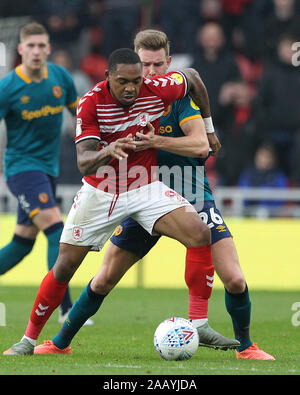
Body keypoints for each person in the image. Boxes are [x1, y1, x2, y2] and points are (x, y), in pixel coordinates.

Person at [33, 30, 274, 360]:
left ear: (168, 63)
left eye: (158, 65)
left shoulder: (176, 99)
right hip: (141, 196)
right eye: (144, 65)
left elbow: (200, 144)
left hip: (190, 193)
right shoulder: (122, 97)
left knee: (233, 278)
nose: (150, 73)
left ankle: (245, 347)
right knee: (103, 279)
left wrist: (165, 139)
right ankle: (60, 342)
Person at [3, 47, 216, 356]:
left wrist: (208, 128)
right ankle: (28, 340)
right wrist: (108, 150)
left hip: (145, 187)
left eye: (136, 80)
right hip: (100, 191)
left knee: (199, 233)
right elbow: (84, 161)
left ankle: (198, 322)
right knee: (65, 267)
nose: (131, 88)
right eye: (123, 82)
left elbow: (193, 78)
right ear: (107, 78)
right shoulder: (90, 103)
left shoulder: (156, 88)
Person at [0, 22, 90, 325]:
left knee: (22, 244)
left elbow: (79, 114)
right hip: (22, 169)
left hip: (48, 169)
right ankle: (64, 309)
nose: (37, 51)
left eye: (42, 46)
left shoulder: (60, 77)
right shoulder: (8, 87)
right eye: (31, 46)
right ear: (21, 50)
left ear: (48, 49)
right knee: (56, 229)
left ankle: (62, 306)